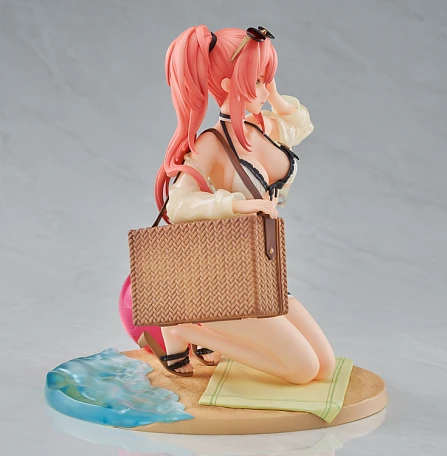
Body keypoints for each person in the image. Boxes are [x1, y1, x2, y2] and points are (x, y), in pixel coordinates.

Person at [126, 25, 336, 385]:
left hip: (264, 273)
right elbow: (178, 204)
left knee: (325, 368)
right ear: (227, 84)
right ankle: (185, 329)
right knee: (303, 370)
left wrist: (272, 91)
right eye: (257, 80)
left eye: (266, 77)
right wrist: (237, 206)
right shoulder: (211, 143)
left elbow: (300, 124)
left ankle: (197, 332)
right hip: (225, 281)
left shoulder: (261, 127)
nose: (265, 89)